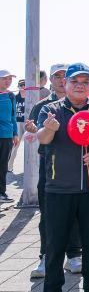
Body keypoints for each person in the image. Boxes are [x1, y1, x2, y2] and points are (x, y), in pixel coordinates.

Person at [36, 63, 89, 292]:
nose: (80, 85)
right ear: (65, 84)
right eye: (75, 81)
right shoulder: (51, 109)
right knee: (55, 245)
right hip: (58, 189)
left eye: (85, 81)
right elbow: (43, 139)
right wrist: (50, 128)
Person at [26, 64, 82, 279]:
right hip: (49, 166)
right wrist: (34, 130)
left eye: (63, 76)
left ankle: (74, 255)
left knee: (76, 213)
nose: (60, 80)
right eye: (56, 77)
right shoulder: (42, 105)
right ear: (50, 79)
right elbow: (35, 133)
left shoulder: (81, 103)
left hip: (75, 165)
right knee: (48, 213)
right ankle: (45, 255)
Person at [0, 70, 20, 203]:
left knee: (2, 166)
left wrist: (15, 133)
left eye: (9, 79)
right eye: (4, 79)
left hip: (6, 136)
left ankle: (1, 194)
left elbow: (13, 116)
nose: (8, 81)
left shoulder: (11, 96)